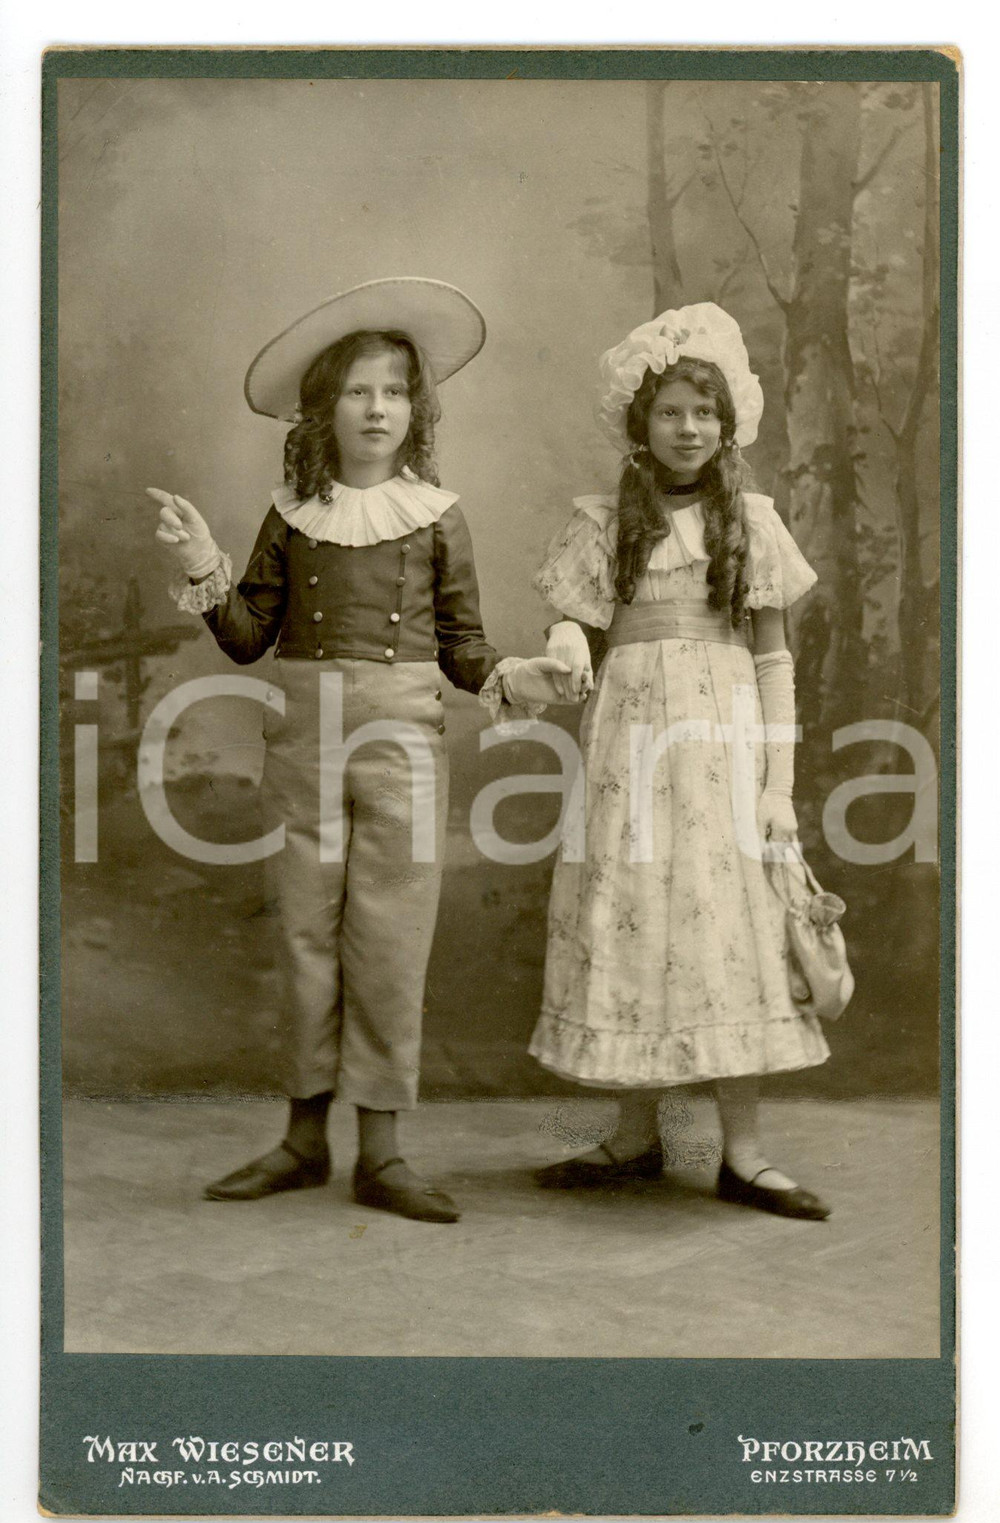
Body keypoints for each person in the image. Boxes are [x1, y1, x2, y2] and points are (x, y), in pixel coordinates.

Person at [149, 277, 570, 1223]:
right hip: (305, 743)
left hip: (402, 745)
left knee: (389, 936)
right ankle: (303, 1141)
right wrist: (202, 565)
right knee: (304, 934)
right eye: (356, 391)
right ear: (324, 408)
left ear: (415, 407)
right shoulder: (291, 513)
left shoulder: (436, 515)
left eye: (393, 391)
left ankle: (382, 1151)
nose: (377, 408)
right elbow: (249, 637)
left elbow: (462, 646)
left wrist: (513, 675)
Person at [529, 302, 832, 1220]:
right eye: (671, 411)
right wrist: (565, 642)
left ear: (728, 420)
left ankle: (742, 1150)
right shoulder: (602, 520)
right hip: (629, 748)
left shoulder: (753, 521)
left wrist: (778, 787)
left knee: (723, 927)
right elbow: (574, 625)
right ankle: (634, 1133)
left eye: (704, 411)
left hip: (723, 752)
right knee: (634, 913)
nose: (688, 428)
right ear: (640, 421)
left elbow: (774, 659)